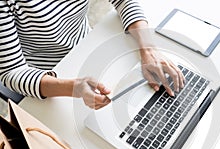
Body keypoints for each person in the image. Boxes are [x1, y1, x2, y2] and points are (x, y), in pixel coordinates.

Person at [0, 0, 184, 110]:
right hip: (47, 79)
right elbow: (12, 71)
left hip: (88, 46)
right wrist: (73, 87)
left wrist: (149, 49)